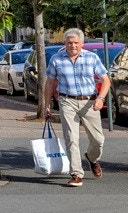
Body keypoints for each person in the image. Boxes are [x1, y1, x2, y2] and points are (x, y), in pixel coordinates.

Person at [44, 27, 111, 187]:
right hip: (67, 101)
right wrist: (46, 105)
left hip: (90, 102)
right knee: (71, 138)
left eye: (75, 43)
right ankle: (76, 174)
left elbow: (106, 80)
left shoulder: (91, 58)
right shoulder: (56, 59)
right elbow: (49, 83)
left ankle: (92, 158)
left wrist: (101, 98)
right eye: (69, 43)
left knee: (98, 139)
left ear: (81, 43)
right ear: (64, 43)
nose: (72, 45)